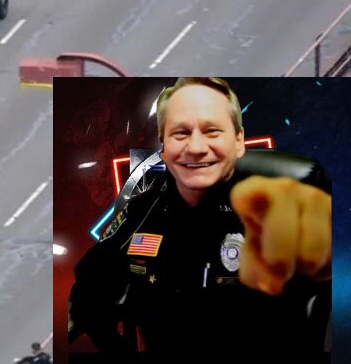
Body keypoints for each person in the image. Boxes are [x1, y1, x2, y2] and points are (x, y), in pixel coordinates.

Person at [68, 78, 332, 360]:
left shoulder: (286, 209)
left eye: (212, 131)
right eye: (180, 133)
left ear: (239, 140)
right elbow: (89, 285)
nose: (195, 148)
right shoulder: (144, 208)